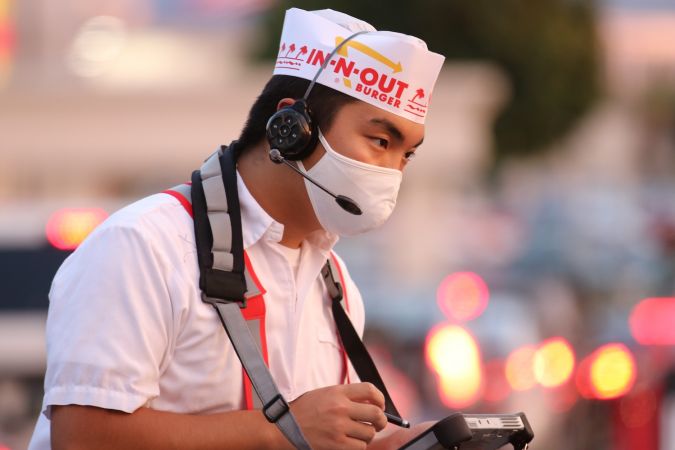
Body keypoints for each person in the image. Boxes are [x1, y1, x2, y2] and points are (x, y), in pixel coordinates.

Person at [28, 8, 444, 450]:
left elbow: (312, 439)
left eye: (407, 154)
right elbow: (80, 438)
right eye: (381, 141)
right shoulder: (143, 245)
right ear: (292, 128)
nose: (393, 170)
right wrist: (276, 432)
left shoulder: (335, 282)